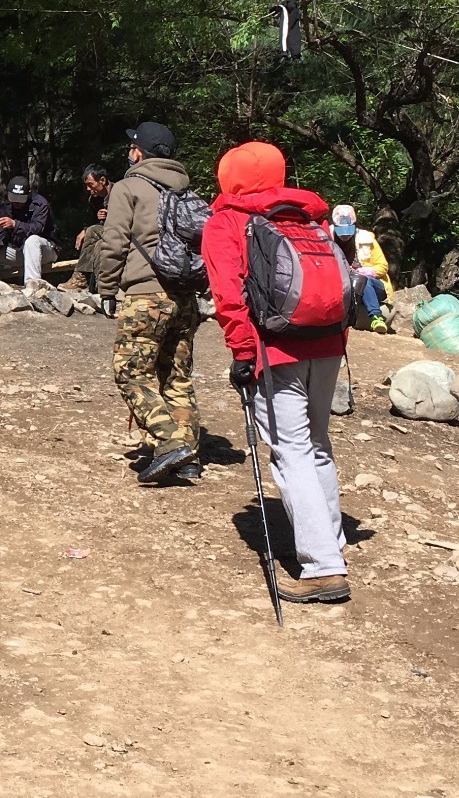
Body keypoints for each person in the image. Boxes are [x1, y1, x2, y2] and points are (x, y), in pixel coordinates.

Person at [202, 140, 352, 605]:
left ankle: (323, 567)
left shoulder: (226, 222)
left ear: (228, 177)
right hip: (327, 343)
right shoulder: (308, 218)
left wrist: (244, 353)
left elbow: (228, 296)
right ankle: (331, 539)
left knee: (290, 451)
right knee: (317, 443)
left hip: (275, 350)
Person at [97, 122, 202, 484]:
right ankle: (188, 454)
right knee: (175, 376)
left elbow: (113, 242)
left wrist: (107, 287)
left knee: (130, 373)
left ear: (139, 151)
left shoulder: (128, 188)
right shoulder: (187, 191)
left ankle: (170, 441)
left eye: (132, 146)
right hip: (185, 298)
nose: (129, 150)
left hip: (145, 295)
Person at [0, 178, 57, 290]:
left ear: (28, 194)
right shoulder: (4, 207)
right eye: (14, 199)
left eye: (20, 199)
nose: (17, 203)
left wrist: (15, 224)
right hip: (19, 252)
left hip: (46, 250)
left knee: (32, 240)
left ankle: (32, 286)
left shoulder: (40, 204)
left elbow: (37, 228)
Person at [332, 204, 394, 332]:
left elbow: (383, 266)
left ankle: (376, 317)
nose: (345, 236)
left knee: (362, 280)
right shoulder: (326, 237)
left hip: (373, 284)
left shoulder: (367, 239)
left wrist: (366, 272)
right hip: (343, 285)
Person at [71, 163, 112, 294]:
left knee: (92, 231)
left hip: (123, 231)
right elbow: (93, 222)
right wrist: (85, 230)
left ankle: (81, 277)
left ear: (103, 180)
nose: (88, 189)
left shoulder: (120, 193)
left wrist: (110, 215)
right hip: (105, 232)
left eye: (91, 184)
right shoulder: (94, 200)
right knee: (94, 238)